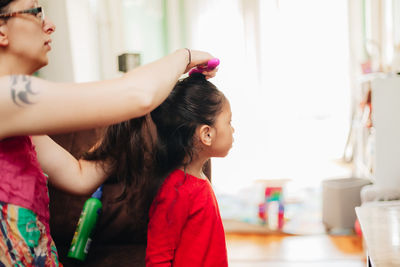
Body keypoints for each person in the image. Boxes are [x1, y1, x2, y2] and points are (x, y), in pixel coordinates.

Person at [0, 0, 217, 266]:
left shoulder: (18, 125)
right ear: (1, 29)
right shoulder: (4, 96)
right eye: (36, 12)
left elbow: (80, 176)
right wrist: (185, 56)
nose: (50, 25)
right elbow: (138, 94)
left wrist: (130, 125)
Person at [85, 73, 234, 266]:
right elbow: (157, 258)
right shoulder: (176, 191)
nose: (232, 130)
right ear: (206, 134)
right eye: (229, 122)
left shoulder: (196, 179)